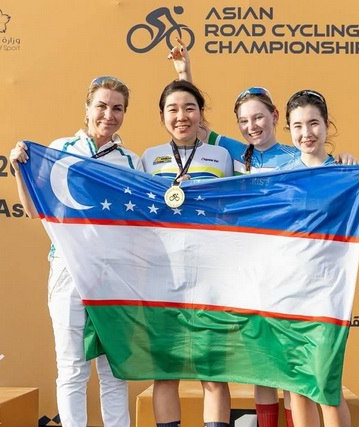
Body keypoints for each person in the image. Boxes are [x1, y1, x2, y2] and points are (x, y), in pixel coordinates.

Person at [168, 39, 358, 427]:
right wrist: (184, 73)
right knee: (264, 368)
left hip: (295, 273)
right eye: (244, 121)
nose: (252, 126)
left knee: (295, 374)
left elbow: (324, 176)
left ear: (275, 117)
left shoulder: (295, 157)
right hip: (254, 273)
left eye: (259, 117)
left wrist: (345, 166)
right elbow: (198, 125)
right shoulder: (237, 153)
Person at [9, 76, 143, 427]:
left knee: (114, 371)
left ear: (125, 113)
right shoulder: (60, 149)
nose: (109, 115)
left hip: (115, 276)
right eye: (101, 106)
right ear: (87, 109)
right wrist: (18, 170)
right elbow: (34, 210)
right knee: (71, 368)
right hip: (68, 270)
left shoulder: (132, 162)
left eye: (117, 108)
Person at [282, 89, 359, 427]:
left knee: (326, 386)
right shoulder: (282, 176)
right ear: (289, 130)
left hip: (328, 295)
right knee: (297, 388)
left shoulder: (345, 174)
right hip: (288, 294)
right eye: (297, 126)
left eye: (313, 123)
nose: (306, 133)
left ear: (326, 125)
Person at [141, 79, 233, 427]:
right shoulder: (148, 157)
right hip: (163, 276)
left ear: (201, 114)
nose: (182, 116)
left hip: (210, 275)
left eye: (189, 108)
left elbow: (233, 208)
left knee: (213, 372)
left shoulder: (221, 156)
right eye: (173, 109)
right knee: (166, 372)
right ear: (162, 116)